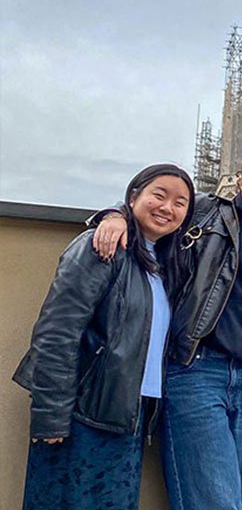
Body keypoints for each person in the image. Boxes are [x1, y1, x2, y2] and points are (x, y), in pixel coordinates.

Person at [91, 146, 242, 510]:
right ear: (238, 182)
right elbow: (158, 212)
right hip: (197, 368)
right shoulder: (209, 212)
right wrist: (115, 215)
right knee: (214, 501)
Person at [13, 164, 195, 510]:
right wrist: (51, 414)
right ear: (133, 196)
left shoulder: (165, 263)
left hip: (129, 412)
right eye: (159, 194)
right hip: (82, 413)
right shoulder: (104, 245)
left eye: (180, 202)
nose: (167, 208)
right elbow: (57, 330)